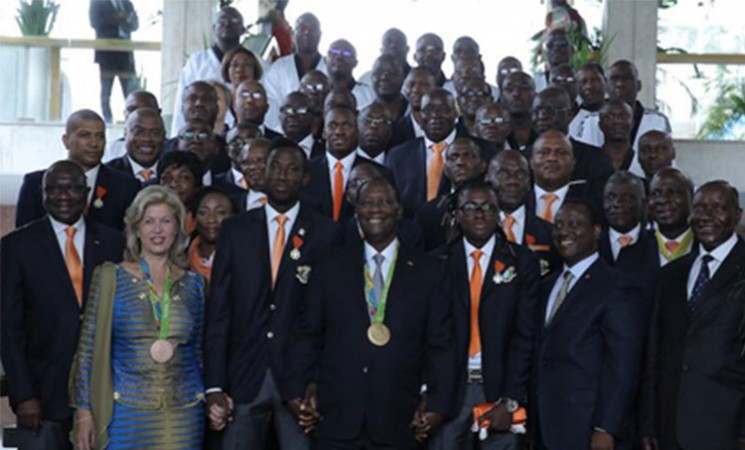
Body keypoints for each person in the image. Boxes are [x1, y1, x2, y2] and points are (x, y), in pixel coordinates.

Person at [282, 177, 457, 449]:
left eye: (385, 201)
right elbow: (307, 334)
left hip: (401, 419)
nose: (376, 209)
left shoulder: (429, 271)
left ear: (399, 210)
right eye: (367, 203)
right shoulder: (330, 265)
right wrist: (295, 391)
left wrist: (437, 404)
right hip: (335, 417)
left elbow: (441, 345)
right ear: (356, 211)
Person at [204, 139, 338, 449]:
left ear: (305, 178)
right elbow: (219, 311)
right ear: (263, 173)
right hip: (243, 377)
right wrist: (214, 384)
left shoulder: (326, 233)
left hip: (300, 383)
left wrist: (318, 380)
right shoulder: (235, 229)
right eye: (275, 167)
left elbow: (331, 318)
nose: (281, 176)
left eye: (292, 170)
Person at [69, 185, 206, 450]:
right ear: (136, 228)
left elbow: (198, 351)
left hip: (184, 413)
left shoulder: (194, 284)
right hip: (126, 411)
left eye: (165, 221)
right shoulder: (110, 277)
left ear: (177, 227)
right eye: (149, 222)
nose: (157, 230)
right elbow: (87, 351)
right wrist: (84, 413)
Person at [1, 161, 124, 450]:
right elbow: (9, 326)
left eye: (72, 188)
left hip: (103, 390)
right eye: (54, 189)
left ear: (87, 192)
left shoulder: (112, 241)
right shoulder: (16, 246)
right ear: (42, 193)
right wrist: (23, 394)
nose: (64, 196)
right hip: (42, 394)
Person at [429, 180, 539, 450]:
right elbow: (429, 336)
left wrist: (510, 399)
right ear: (457, 214)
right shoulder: (436, 262)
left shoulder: (521, 261)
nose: (480, 214)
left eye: (488, 207)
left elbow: (525, 336)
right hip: (449, 391)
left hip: (499, 389)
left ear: (499, 214)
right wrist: (430, 395)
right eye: (471, 207)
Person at [532, 199, 644, 450]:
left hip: (589, 428)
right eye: (559, 225)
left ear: (596, 231)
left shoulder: (617, 287)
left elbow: (623, 365)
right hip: (545, 425)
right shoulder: (546, 286)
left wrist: (606, 428)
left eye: (575, 224)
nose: (564, 231)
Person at [645, 181, 745, 450]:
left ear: (738, 214)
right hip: (669, 426)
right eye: (699, 208)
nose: (706, 217)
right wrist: (648, 423)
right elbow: (655, 352)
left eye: (718, 208)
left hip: (726, 428)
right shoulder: (671, 274)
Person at [16, 109, 140, 230]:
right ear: (66, 141)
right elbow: (22, 239)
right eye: (85, 135)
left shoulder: (125, 186)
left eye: (100, 136)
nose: (94, 143)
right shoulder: (34, 184)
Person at [387, 89, 495, 218]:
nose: (435, 115)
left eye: (443, 109)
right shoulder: (398, 155)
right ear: (420, 116)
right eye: (428, 110)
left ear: (455, 114)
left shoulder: (484, 150)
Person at [575, 60, 671, 175]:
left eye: (627, 79)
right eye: (614, 79)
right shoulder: (590, 121)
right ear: (606, 85)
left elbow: (667, 164)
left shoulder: (657, 121)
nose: (620, 84)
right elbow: (583, 163)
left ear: (639, 85)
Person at [302, 106, 387, 223]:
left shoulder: (379, 172)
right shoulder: (306, 170)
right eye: (332, 126)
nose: (339, 132)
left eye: (346, 125)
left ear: (357, 131)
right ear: (323, 133)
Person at [171, 6, 245, 135]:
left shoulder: (256, 63)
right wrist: (178, 136)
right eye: (222, 20)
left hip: (241, 134)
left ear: (243, 30)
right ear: (213, 28)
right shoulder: (197, 62)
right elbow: (182, 104)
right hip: (201, 135)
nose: (227, 24)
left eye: (233, 20)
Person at [529, 86, 614, 196]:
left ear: (569, 115)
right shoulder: (522, 160)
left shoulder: (597, 160)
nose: (541, 117)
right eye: (536, 111)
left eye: (549, 111)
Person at [486, 150, 557, 275]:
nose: (512, 181)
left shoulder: (549, 233)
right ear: (488, 179)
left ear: (530, 182)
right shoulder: (475, 230)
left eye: (521, 174)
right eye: (503, 174)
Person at [414, 137, 486, 251]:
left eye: (468, 155)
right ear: (445, 169)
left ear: (482, 166)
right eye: (454, 157)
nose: (460, 162)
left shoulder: (496, 206)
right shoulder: (427, 213)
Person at [263, 13, 327, 131]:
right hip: (283, 134)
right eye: (302, 28)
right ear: (293, 34)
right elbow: (271, 104)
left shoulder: (329, 67)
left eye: (312, 28)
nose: (307, 32)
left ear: (320, 35)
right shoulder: (279, 68)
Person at [341, 163, 424, 249]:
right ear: (347, 195)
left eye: (368, 182)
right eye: (354, 184)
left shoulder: (410, 233)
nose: (361, 188)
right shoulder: (340, 233)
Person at [89, 0, 139, 124]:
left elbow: (135, 25)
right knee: (106, 90)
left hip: (125, 53)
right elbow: (95, 23)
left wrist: (127, 19)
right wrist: (118, 18)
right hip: (107, 53)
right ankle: (107, 120)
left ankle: (132, 118)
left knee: (129, 90)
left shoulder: (127, 3)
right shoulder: (97, 3)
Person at [530, 130, 596, 223]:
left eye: (561, 153)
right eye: (544, 153)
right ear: (531, 162)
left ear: (573, 162)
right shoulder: (518, 200)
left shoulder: (589, 202)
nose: (552, 158)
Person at [188, 186, 237, 284]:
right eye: (203, 213)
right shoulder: (181, 259)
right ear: (194, 219)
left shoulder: (245, 259)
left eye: (220, 213)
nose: (211, 219)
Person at [647, 168, 695, 266]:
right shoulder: (632, 253)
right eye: (656, 194)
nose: (663, 200)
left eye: (673, 192)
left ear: (692, 199)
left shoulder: (707, 247)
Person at [106, 107, 165, 185]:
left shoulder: (174, 173)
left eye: (155, 133)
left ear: (164, 136)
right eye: (139, 132)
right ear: (125, 134)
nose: (147, 138)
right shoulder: (106, 174)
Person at [103, 90, 160, 162]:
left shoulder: (171, 149)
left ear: (159, 113)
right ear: (124, 113)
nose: (137, 114)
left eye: (145, 109)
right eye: (132, 110)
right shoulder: (111, 149)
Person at [159, 150, 203, 235]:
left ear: (197, 186)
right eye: (167, 178)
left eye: (183, 178)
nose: (174, 184)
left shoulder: (204, 225)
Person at [391, 66, 436, 146]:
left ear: (435, 88)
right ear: (404, 89)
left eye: (424, 85)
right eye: (411, 84)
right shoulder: (394, 131)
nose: (416, 89)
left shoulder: (447, 127)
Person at [324, 39, 376, 110]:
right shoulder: (316, 91)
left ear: (355, 63)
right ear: (325, 60)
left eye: (346, 54)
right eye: (334, 52)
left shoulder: (368, 94)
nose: (339, 57)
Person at [279, 91, 325, 159]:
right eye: (287, 110)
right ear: (280, 117)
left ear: (313, 117)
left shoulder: (326, 152)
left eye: (300, 110)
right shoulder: (270, 149)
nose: (293, 115)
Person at [177, 119, 221, 186]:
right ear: (177, 145)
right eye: (189, 135)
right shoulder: (161, 187)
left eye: (204, 136)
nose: (196, 140)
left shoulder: (231, 192)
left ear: (216, 148)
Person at [569, 62, 606, 140]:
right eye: (583, 82)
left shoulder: (617, 114)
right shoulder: (571, 117)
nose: (589, 86)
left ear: (605, 81)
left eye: (594, 80)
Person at [500, 72, 536, 151]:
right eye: (509, 89)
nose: (516, 94)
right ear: (501, 97)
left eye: (524, 88)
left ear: (535, 95)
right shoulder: (495, 135)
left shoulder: (544, 133)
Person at [599, 99, 636, 172]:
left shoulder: (642, 160)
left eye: (623, 116)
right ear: (600, 125)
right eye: (609, 117)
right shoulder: (590, 160)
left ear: (632, 123)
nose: (617, 121)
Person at [370, 54, 408, 122]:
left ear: (403, 77)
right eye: (378, 72)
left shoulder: (415, 112)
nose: (384, 77)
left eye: (392, 73)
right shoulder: (365, 117)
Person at [237, 138, 271, 211]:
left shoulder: (298, 201)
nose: (252, 167)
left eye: (260, 160)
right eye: (246, 162)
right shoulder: (232, 205)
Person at [534, 28, 573, 92]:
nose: (556, 48)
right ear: (545, 51)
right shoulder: (536, 83)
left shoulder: (584, 80)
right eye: (550, 45)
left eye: (561, 44)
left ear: (572, 50)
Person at [299, 70, 330, 138]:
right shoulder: (292, 121)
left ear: (328, 92)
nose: (313, 92)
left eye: (319, 87)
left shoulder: (332, 121)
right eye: (308, 87)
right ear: (299, 90)